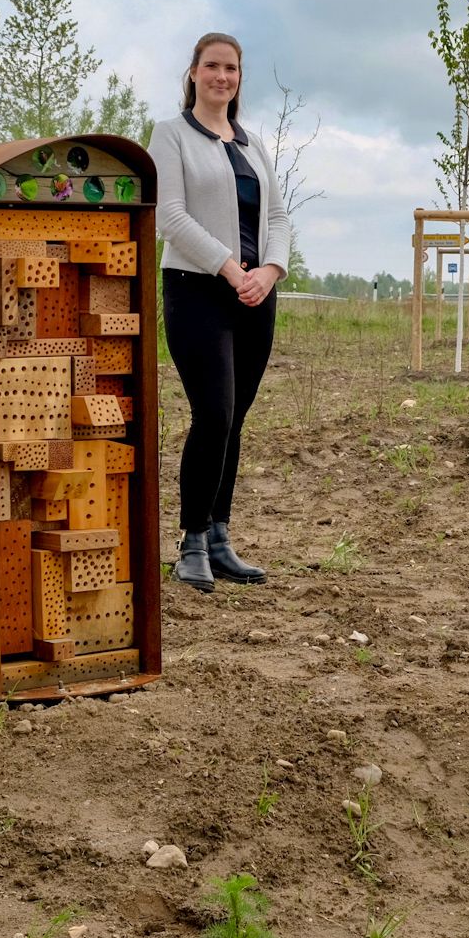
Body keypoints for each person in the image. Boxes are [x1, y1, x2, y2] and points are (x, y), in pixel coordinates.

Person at [149, 32, 291, 591]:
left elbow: (277, 218)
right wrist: (231, 269)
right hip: (197, 289)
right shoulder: (171, 135)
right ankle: (189, 544)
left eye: (231, 68)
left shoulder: (253, 143)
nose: (222, 77)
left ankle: (220, 538)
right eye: (212, 66)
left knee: (235, 421)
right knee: (213, 414)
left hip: (257, 295)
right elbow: (171, 216)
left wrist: (269, 272)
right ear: (193, 73)